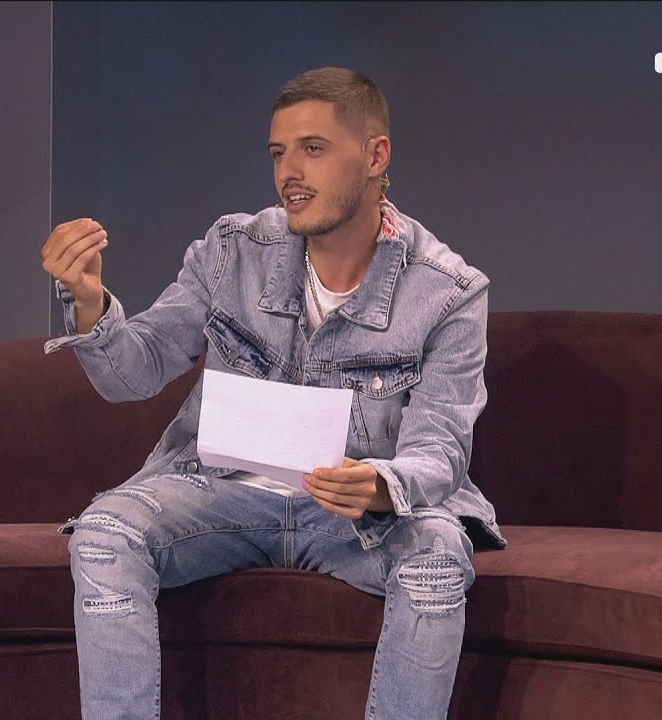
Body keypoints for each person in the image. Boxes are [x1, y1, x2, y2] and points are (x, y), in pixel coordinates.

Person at [41, 66, 506, 720]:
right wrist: (89, 304)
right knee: (103, 532)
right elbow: (133, 373)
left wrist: (380, 483)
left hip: (356, 517)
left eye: (313, 149)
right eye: (278, 152)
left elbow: (442, 449)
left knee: (437, 552)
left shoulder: (448, 292)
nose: (290, 172)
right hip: (223, 494)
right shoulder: (233, 250)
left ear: (375, 156)